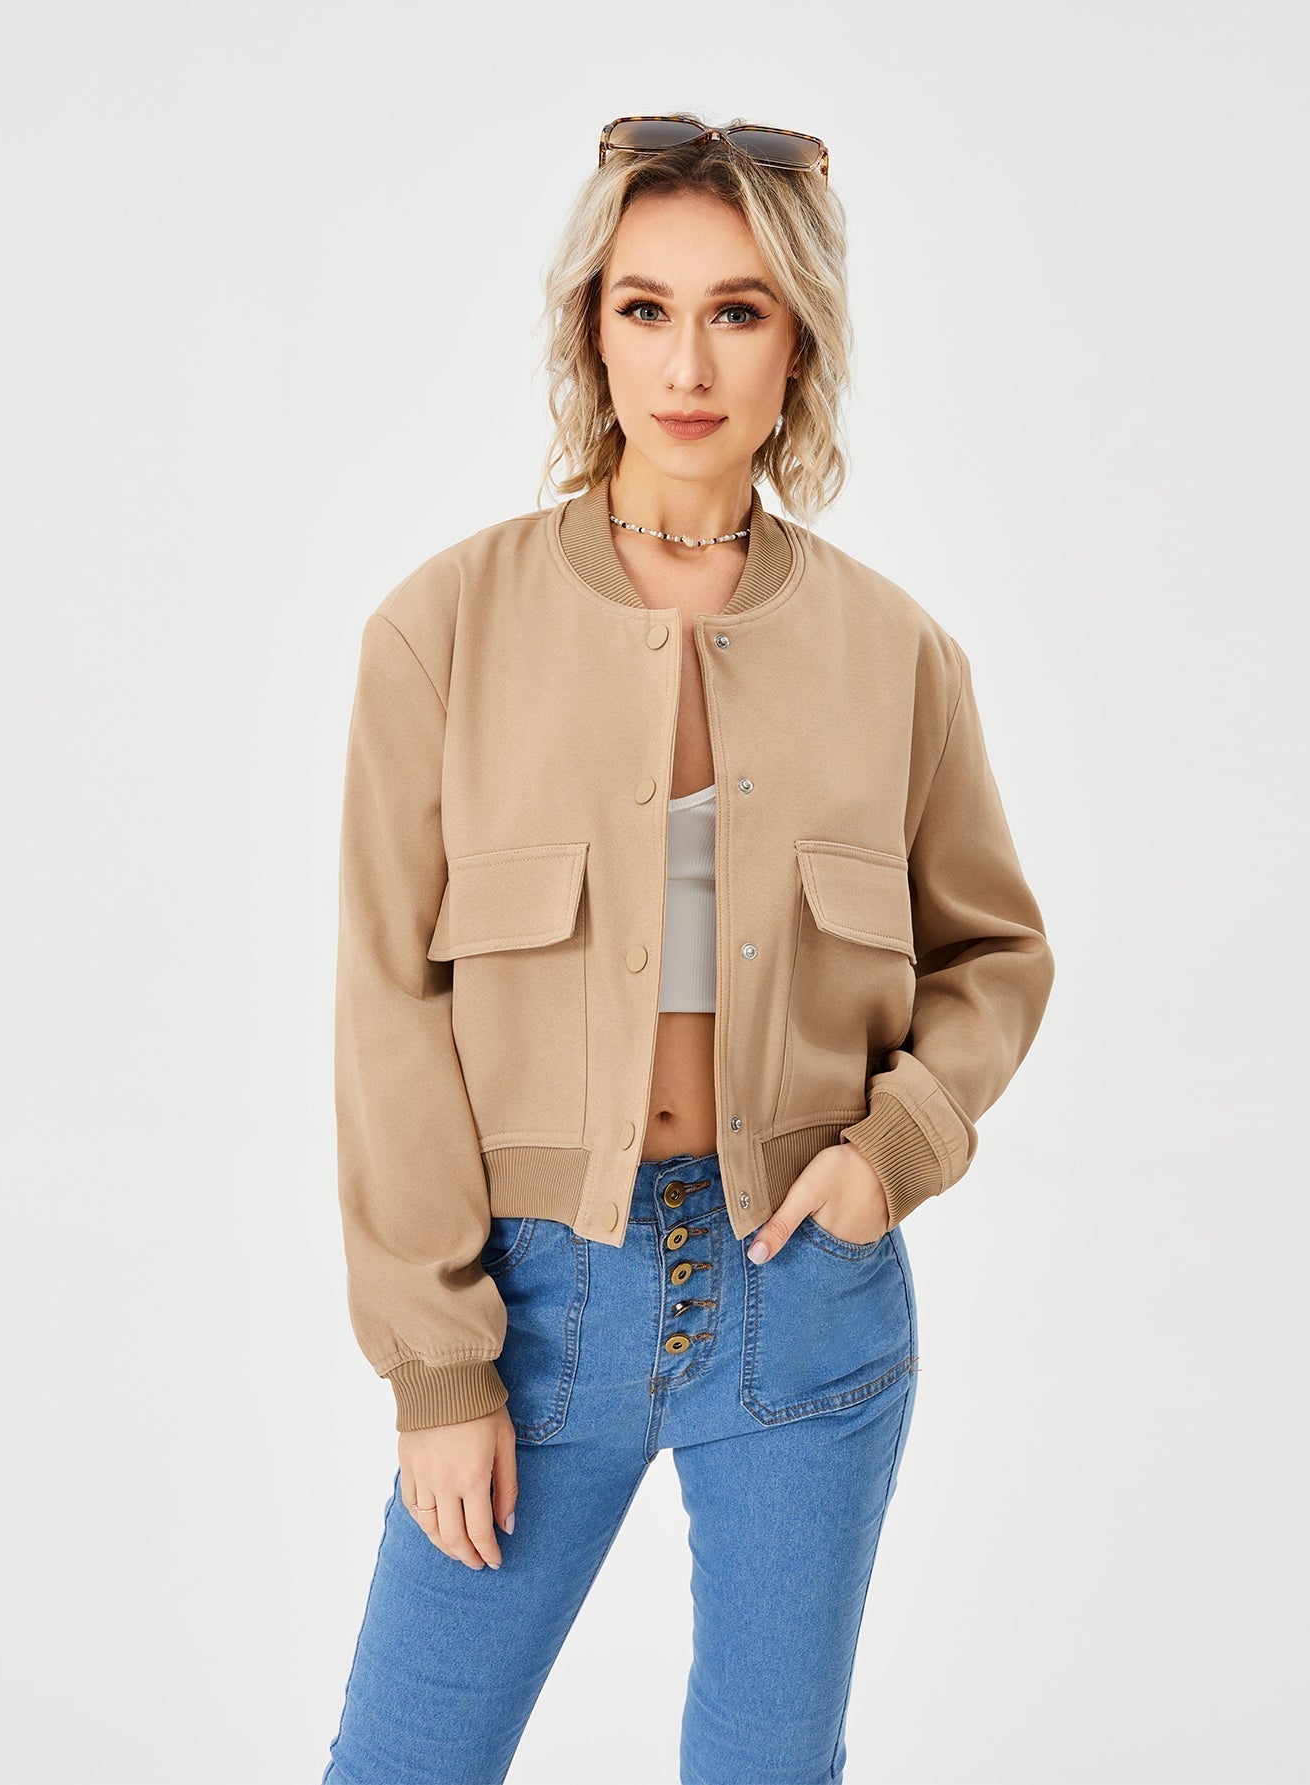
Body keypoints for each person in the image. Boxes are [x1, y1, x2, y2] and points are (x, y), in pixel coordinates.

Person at [321, 115, 1055, 1785]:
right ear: (590, 328)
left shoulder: (898, 652)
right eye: (644, 307)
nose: (688, 362)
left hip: (805, 1290)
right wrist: (438, 1366)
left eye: (738, 310)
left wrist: (889, 1152)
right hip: (532, 1298)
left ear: (800, 342)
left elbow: (997, 954)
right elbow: (386, 1005)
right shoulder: (443, 629)